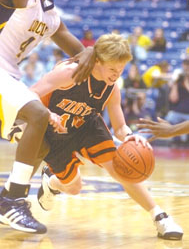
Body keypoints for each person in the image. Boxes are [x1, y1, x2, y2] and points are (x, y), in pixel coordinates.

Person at [28, 33, 183, 240]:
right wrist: (48, 113)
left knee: (122, 169)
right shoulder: (69, 73)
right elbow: (31, 93)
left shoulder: (112, 88)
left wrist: (129, 136)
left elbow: (119, 126)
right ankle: (51, 182)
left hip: (87, 127)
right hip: (57, 135)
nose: (116, 75)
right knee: (74, 188)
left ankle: (160, 216)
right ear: (98, 61)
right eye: (112, 69)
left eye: (121, 70)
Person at [0, 0, 95, 234]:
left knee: (42, 145)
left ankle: (7, 197)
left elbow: (79, 51)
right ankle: (14, 200)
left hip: (9, 75)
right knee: (39, 115)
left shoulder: (52, 17)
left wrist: (92, 51)